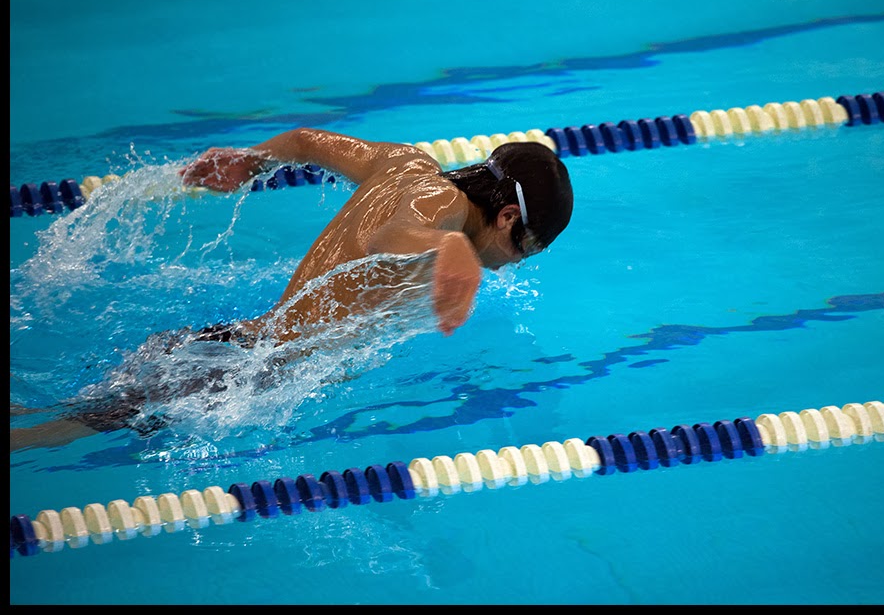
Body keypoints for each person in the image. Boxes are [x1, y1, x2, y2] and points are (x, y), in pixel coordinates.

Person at [10, 129, 574, 451]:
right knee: (38, 439)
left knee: (41, 414)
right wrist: (448, 248)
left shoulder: (406, 162)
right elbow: (389, 236)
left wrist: (252, 161)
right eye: (527, 250)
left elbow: (306, 141)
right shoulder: (444, 212)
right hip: (236, 374)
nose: (513, 267)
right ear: (505, 218)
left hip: (226, 347)